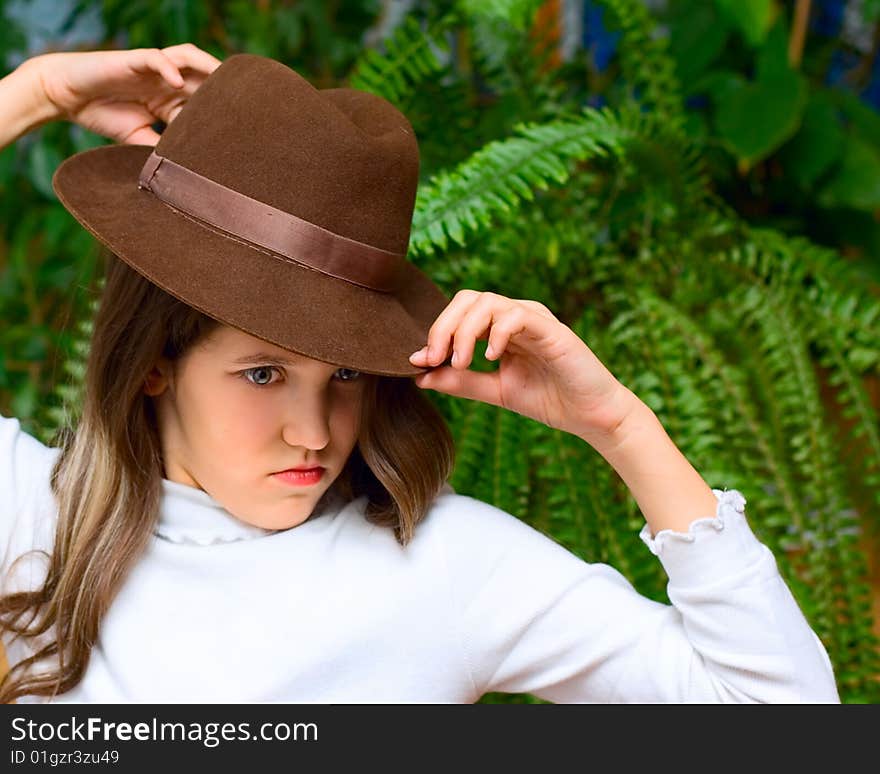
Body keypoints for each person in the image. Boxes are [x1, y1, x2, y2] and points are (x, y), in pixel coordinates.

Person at [0, 44, 840, 704]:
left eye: (346, 377)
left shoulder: (446, 566)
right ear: (154, 366)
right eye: (263, 375)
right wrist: (34, 91)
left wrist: (620, 425)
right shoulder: (32, 517)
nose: (314, 430)